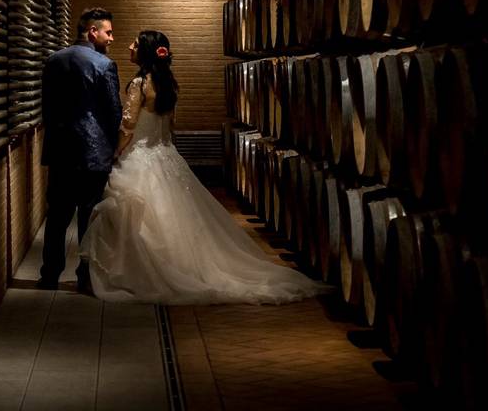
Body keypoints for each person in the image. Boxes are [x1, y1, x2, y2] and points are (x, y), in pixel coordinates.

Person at [79, 30, 330, 305]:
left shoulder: (139, 84)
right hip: (165, 155)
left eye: (135, 44)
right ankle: (177, 266)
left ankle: (136, 273)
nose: (129, 46)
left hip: (140, 157)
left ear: (147, 52)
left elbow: (127, 126)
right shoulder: (169, 83)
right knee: (176, 218)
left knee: (135, 217)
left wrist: (116, 152)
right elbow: (170, 126)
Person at [39, 7, 121, 292]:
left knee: (58, 216)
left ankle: (49, 275)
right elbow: (113, 112)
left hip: (60, 150)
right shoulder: (104, 65)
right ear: (92, 31)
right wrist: (114, 147)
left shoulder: (53, 60)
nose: (111, 38)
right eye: (108, 32)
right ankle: (85, 277)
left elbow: (47, 108)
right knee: (89, 218)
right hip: (93, 153)